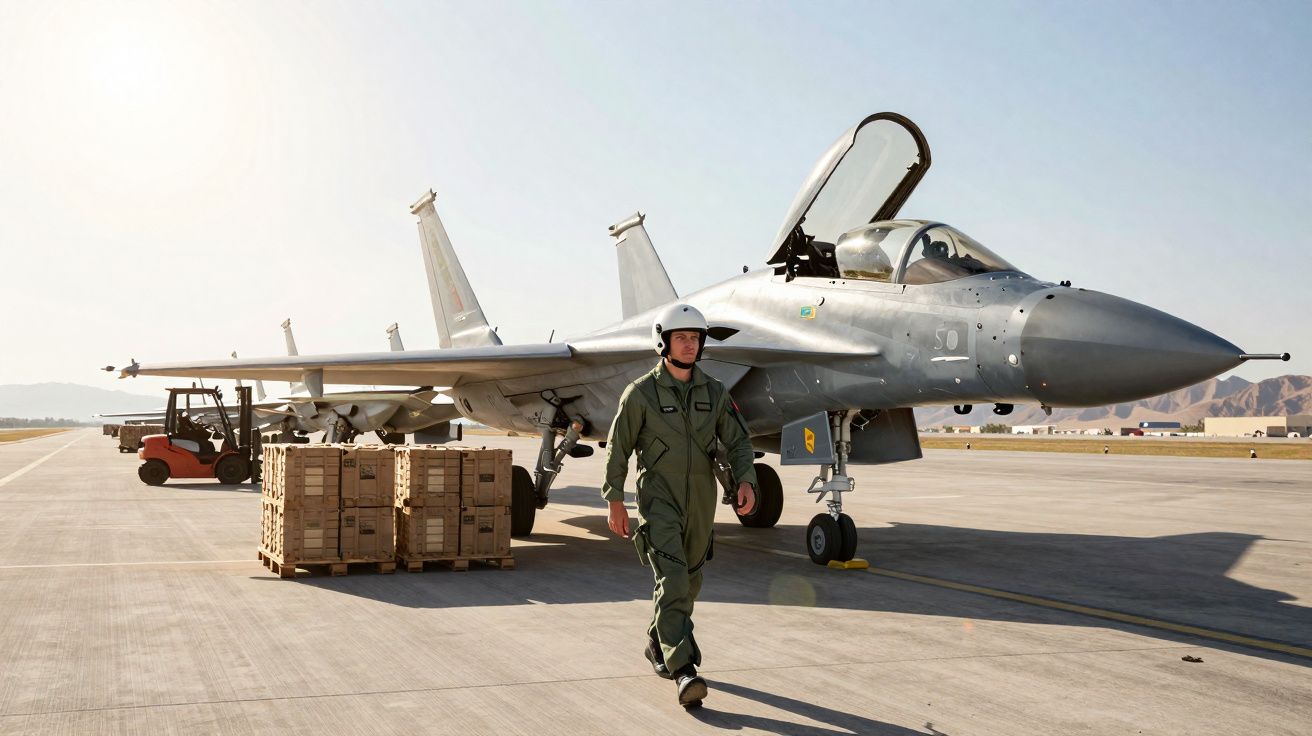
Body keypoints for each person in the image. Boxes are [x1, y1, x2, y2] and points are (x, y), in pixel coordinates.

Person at [601, 303, 759, 708]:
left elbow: (739, 440)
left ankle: (658, 639)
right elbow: (618, 450)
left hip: (702, 499)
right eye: (681, 338)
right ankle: (683, 669)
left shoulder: (715, 392)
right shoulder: (640, 394)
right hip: (658, 497)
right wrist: (615, 500)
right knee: (671, 579)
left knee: (689, 581)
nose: (689, 345)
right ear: (664, 343)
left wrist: (747, 479)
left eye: (695, 338)